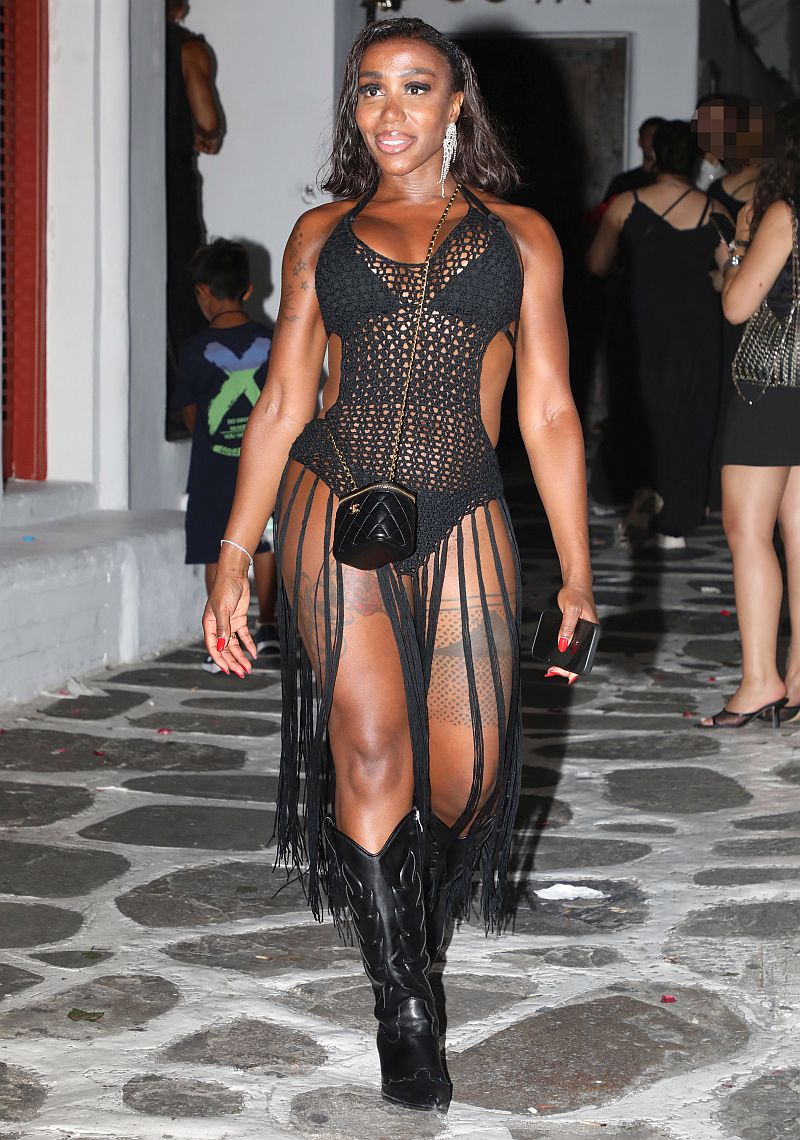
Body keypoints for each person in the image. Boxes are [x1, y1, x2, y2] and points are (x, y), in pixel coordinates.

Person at [202, 16, 596, 1113]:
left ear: (456, 103)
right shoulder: (320, 233)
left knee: (468, 775)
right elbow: (284, 401)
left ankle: (403, 917)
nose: (389, 110)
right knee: (373, 748)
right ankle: (404, 1008)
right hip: (332, 501)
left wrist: (575, 569)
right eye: (370, 89)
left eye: (415, 88)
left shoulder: (521, 236)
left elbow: (549, 410)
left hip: (465, 505)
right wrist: (235, 552)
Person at [700, 101, 800, 729]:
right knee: (799, 537)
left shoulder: (785, 213)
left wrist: (739, 243)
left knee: (748, 531)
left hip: (770, 387)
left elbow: (737, 305)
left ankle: (761, 680)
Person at [587, 120, 731, 548]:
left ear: (655, 157)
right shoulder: (715, 211)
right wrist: (708, 278)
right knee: (690, 412)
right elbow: (735, 274)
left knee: (635, 408)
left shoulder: (625, 204)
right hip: (695, 324)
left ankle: (637, 494)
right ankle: (677, 516)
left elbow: (596, 264)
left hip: (638, 320)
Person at [174, 240, 278, 667]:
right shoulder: (271, 340)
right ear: (248, 289)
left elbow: (189, 415)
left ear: (202, 292)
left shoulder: (194, 349)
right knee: (265, 542)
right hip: (264, 465)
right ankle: (268, 627)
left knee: (216, 548)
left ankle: (222, 637)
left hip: (211, 469)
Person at [166, 0, 224, 438]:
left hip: (123, 176)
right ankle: (187, 405)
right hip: (174, 180)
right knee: (185, 283)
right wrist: (208, 134)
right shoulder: (188, 49)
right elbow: (207, 121)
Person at [603, 116, 666, 200]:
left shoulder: (673, 182)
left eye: (658, 137)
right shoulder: (623, 182)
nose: (654, 141)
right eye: (649, 136)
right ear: (640, 141)